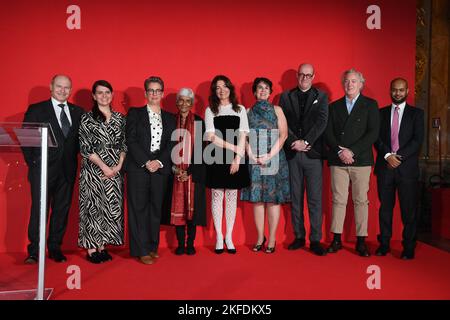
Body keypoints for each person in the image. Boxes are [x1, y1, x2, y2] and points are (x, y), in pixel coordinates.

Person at [22, 74, 84, 264]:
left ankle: (55, 247)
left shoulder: (78, 112)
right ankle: (34, 251)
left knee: (61, 210)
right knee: (39, 211)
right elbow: (26, 141)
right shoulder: (37, 110)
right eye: (59, 86)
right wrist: (35, 165)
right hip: (42, 170)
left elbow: (80, 142)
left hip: (67, 171)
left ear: (71, 90)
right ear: (51, 86)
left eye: (66, 87)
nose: (62, 90)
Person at [325, 68, 380, 257]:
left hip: (361, 160)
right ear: (343, 84)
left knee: (361, 201)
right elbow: (328, 133)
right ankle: (336, 239)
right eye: (347, 81)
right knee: (338, 200)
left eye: (354, 81)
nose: (350, 84)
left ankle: (361, 241)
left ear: (361, 84)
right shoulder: (334, 106)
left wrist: (352, 151)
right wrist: (341, 151)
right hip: (338, 159)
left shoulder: (370, 105)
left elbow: (373, 132)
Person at [125, 76, 176, 265]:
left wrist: (159, 162)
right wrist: (147, 161)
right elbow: (130, 139)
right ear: (146, 93)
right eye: (151, 90)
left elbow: (172, 143)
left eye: (158, 90)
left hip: (160, 168)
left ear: (162, 93)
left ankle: (152, 246)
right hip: (139, 167)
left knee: (155, 208)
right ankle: (141, 249)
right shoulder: (135, 113)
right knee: (138, 209)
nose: (154, 94)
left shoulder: (170, 117)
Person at [279, 63, 329, 256]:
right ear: (297, 76)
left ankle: (315, 239)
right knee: (296, 198)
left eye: (308, 75)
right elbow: (281, 122)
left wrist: (306, 141)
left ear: (313, 76)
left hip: (313, 154)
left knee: (315, 199)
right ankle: (299, 236)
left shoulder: (322, 96)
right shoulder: (285, 97)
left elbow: (322, 122)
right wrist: (294, 142)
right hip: (293, 153)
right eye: (302, 75)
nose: (305, 78)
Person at [374, 78, 424, 260]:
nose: (398, 93)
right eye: (394, 90)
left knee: (408, 210)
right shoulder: (380, 113)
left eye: (401, 90)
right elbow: (376, 138)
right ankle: (384, 244)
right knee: (385, 209)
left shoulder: (417, 114)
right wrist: (388, 155)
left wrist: (398, 157)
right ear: (390, 90)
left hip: (407, 170)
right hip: (385, 167)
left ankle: (409, 246)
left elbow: (417, 141)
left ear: (408, 91)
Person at [78, 80, 126, 264]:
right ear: (93, 95)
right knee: (93, 207)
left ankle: (102, 246)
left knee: (109, 208)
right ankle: (91, 248)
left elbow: (125, 144)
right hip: (93, 169)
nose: (104, 96)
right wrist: (104, 167)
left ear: (112, 95)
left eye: (107, 92)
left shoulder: (121, 118)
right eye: (100, 93)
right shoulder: (87, 118)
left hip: (115, 170)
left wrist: (118, 166)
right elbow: (85, 146)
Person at [241, 77, 290, 253]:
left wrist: (269, 155)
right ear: (255, 92)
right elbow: (244, 137)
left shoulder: (277, 110)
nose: (263, 90)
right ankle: (260, 237)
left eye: (266, 88)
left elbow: (283, 135)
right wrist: (252, 155)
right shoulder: (246, 112)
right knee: (258, 201)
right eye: (260, 88)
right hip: (254, 160)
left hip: (274, 158)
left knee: (272, 200)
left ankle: (272, 239)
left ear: (270, 92)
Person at [204, 75, 250, 254]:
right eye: (217, 87)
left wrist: (237, 158)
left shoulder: (240, 109)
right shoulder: (211, 110)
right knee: (216, 196)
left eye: (224, 86)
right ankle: (218, 236)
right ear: (214, 91)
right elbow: (211, 137)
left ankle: (228, 237)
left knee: (231, 197)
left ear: (230, 88)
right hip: (216, 156)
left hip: (235, 158)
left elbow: (243, 134)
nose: (221, 90)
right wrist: (233, 149)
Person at [163, 88, 207, 255]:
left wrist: (188, 171)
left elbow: (202, 151)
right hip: (173, 173)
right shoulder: (169, 121)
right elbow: (165, 148)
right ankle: (180, 244)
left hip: (194, 173)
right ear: (176, 103)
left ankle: (190, 244)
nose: (184, 104)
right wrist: (175, 169)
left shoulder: (199, 122)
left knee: (192, 210)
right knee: (178, 208)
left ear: (192, 103)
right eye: (180, 100)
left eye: (187, 101)